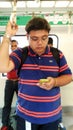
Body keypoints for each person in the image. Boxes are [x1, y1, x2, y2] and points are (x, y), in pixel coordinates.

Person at [0, 17, 72, 130]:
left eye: (44, 38)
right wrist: (7, 35)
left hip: (52, 117)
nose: (40, 43)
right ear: (27, 37)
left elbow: (68, 77)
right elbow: (2, 67)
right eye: (34, 38)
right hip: (26, 117)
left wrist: (55, 82)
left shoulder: (57, 55)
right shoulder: (21, 53)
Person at [0, 40, 19, 130]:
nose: (14, 47)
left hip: (19, 82)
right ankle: (5, 124)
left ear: (17, 46)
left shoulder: (20, 57)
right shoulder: (7, 57)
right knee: (7, 104)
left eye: (15, 45)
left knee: (22, 104)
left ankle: (21, 122)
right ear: (10, 47)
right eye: (12, 46)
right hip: (10, 82)